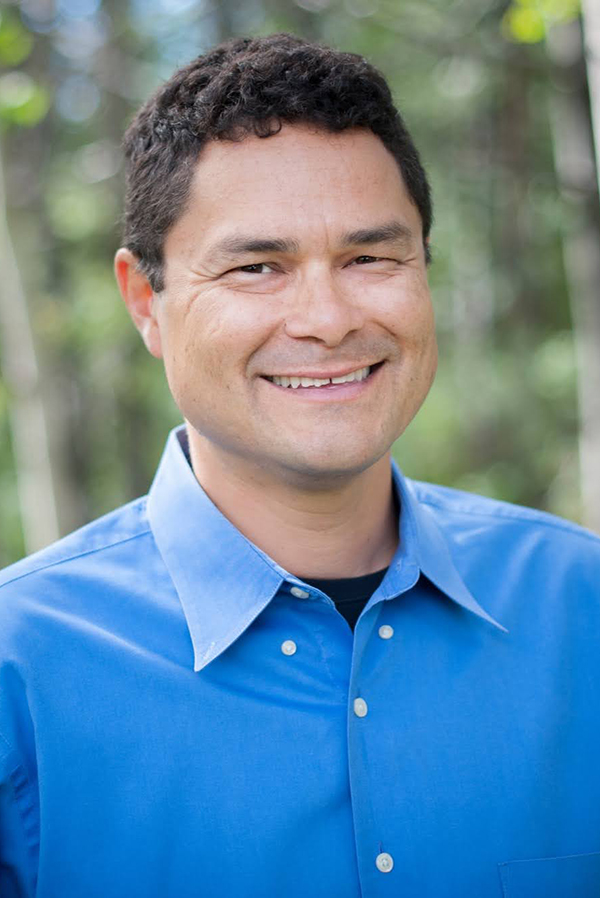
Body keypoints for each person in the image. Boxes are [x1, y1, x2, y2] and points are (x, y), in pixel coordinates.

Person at [1, 32, 599, 898]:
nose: (325, 317)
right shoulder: (20, 670)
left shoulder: (582, 610)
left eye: (368, 257)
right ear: (146, 303)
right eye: (256, 267)